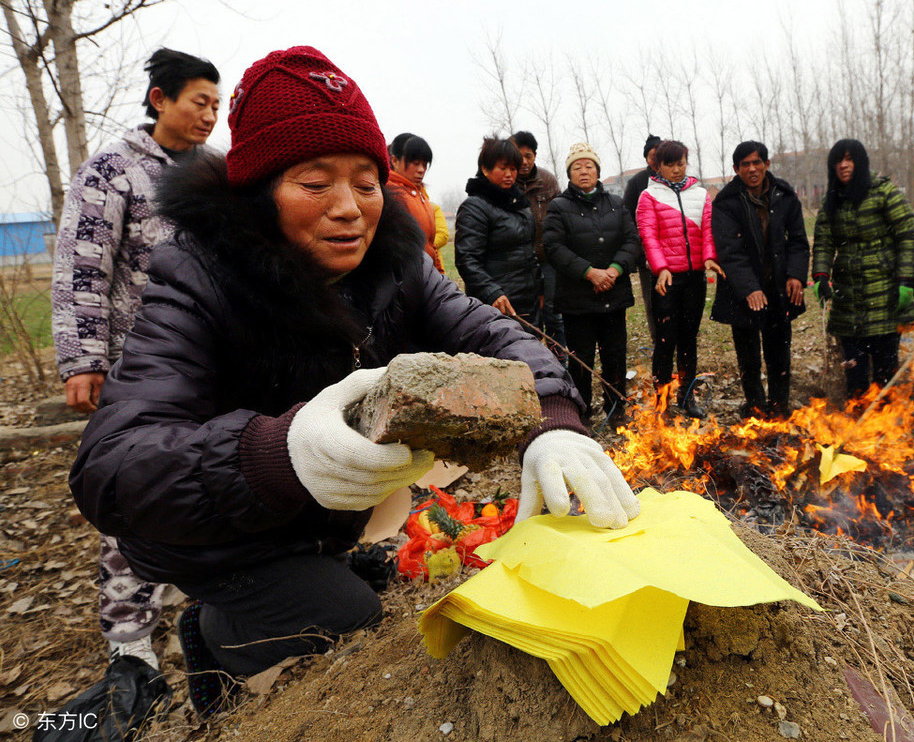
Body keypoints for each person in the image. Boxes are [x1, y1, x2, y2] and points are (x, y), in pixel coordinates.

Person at [67, 46, 639, 717]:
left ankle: (305, 565)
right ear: (259, 193)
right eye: (315, 183)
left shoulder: (395, 264)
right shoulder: (196, 277)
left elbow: (491, 333)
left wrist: (552, 420)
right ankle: (217, 629)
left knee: (364, 575)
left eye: (366, 182)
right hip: (212, 530)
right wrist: (274, 452)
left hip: (320, 515)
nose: (349, 208)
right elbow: (111, 470)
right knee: (348, 620)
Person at [51, 47, 220, 672]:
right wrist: (82, 359)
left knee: (207, 472)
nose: (209, 116)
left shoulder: (214, 172)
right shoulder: (112, 170)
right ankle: (129, 632)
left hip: (211, 357)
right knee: (134, 486)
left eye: (215, 106)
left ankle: (203, 591)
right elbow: (82, 267)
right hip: (137, 364)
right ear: (160, 100)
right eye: (199, 102)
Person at [811, 139, 914, 399]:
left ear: (860, 162)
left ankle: (885, 415)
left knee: (885, 366)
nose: (844, 165)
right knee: (854, 367)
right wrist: (820, 276)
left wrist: (905, 280)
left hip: (884, 291)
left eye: (850, 159)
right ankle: (859, 415)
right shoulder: (831, 201)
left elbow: (908, 235)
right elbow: (824, 242)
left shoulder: (884, 192)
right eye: (839, 160)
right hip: (847, 297)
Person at [543, 143, 641, 426]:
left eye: (589, 166)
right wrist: (589, 273)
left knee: (615, 356)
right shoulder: (559, 207)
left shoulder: (616, 203)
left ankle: (616, 408)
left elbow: (631, 240)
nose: (584, 171)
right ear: (569, 173)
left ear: (598, 171)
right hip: (578, 300)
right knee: (581, 359)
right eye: (577, 167)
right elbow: (554, 247)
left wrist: (614, 270)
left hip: (614, 293)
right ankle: (582, 412)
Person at [710, 141, 809, 418]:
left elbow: (798, 241)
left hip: (779, 286)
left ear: (767, 164)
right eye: (745, 165)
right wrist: (749, 288)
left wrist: (796, 275)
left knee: (779, 353)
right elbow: (729, 250)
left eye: (757, 162)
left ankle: (779, 407)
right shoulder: (727, 202)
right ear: (736, 169)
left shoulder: (785, 195)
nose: (752, 169)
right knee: (749, 356)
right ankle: (754, 406)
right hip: (742, 291)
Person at [635, 140, 721, 418]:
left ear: (687, 162)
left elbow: (708, 229)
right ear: (657, 166)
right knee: (664, 340)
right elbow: (649, 236)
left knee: (689, 339)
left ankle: (686, 396)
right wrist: (660, 268)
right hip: (666, 280)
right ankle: (661, 401)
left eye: (680, 163)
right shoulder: (649, 196)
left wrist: (709, 257)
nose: (675, 169)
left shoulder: (700, 194)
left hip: (694, 277)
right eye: (669, 164)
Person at [456, 137, 543, 330]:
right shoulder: (475, 207)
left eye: (513, 169)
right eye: (503, 168)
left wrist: (540, 289)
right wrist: (491, 292)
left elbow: (530, 253)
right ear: (485, 169)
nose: (509, 174)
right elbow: (467, 259)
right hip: (495, 305)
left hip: (528, 302)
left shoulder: (520, 205)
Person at [512, 130, 565, 353]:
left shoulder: (548, 180)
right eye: (519, 156)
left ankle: (560, 359)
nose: (524, 162)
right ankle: (534, 363)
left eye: (529, 156)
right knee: (526, 317)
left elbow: (561, 216)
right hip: (519, 265)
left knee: (554, 314)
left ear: (535, 155)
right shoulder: (506, 181)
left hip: (549, 259)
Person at [386, 133, 449, 273]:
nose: (421, 170)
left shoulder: (422, 197)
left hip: (426, 278)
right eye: (415, 163)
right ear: (395, 161)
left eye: (425, 164)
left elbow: (431, 246)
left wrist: (440, 275)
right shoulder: (390, 195)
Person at [623, 134, 662, 342]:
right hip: (648, 256)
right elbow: (627, 218)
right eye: (652, 156)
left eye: (660, 155)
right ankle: (658, 341)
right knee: (652, 301)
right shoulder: (638, 182)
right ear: (647, 158)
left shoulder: (674, 179)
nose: (656, 160)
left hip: (676, 253)